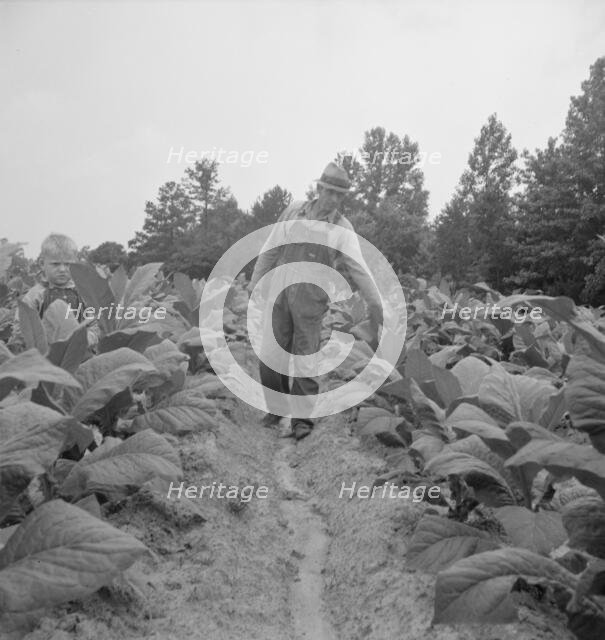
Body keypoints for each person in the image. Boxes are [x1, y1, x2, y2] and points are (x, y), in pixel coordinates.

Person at [249, 162, 383, 440]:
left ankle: (301, 421)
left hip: (311, 300)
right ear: (319, 188)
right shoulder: (294, 210)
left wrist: (376, 304)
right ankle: (276, 409)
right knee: (271, 355)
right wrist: (255, 284)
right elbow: (270, 249)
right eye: (330, 192)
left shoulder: (342, 228)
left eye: (340, 195)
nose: (334, 199)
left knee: (305, 360)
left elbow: (358, 268)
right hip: (280, 291)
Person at [9, 233, 97, 350]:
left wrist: (86, 339)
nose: (62, 269)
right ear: (42, 264)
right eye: (55, 264)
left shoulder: (83, 294)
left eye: (67, 264)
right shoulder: (35, 295)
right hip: (44, 356)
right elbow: (21, 327)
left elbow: (94, 325)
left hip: (78, 356)